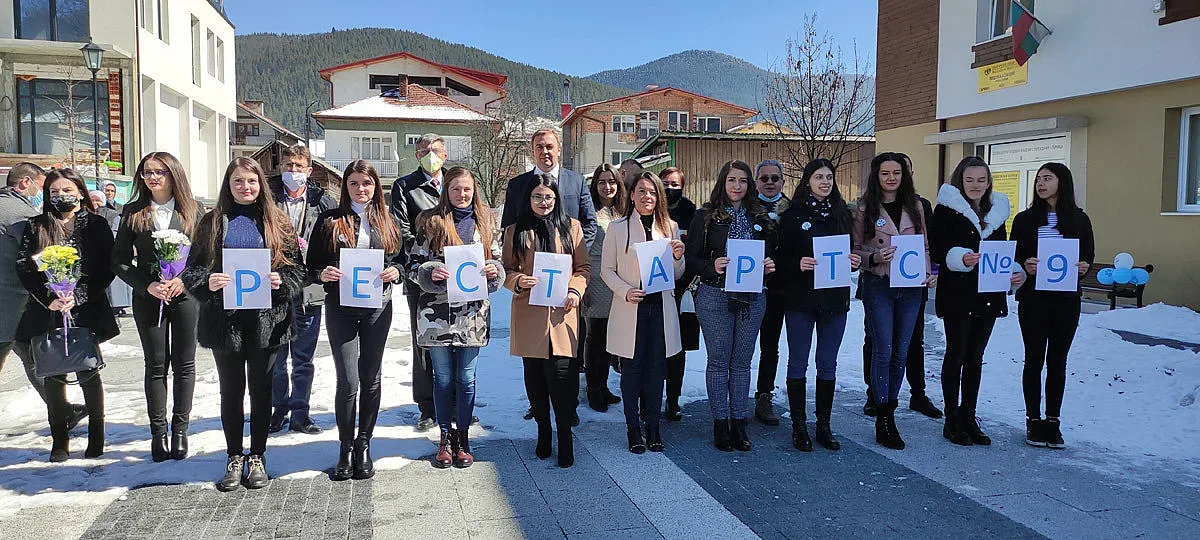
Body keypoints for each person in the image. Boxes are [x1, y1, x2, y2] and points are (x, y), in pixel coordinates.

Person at [180, 157, 307, 491]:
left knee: (262, 391)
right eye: (238, 181)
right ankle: (234, 455)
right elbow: (191, 271)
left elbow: (298, 271)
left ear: (260, 184)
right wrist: (208, 282)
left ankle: (258, 455)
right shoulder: (211, 223)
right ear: (229, 184)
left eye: (251, 181)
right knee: (231, 392)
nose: (245, 187)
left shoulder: (278, 222)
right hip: (226, 321)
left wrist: (283, 281)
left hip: (268, 321)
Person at [307, 160, 404, 480]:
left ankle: (364, 444)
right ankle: (345, 446)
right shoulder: (328, 220)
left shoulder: (387, 220)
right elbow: (311, 266)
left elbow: (400, 261)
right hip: (341, 308)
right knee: (348, 380)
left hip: (378, 307)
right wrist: (322, 273)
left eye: (367, 183)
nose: (361, 189)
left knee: (371, 377)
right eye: (354, 183)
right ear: (345, 186)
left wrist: (396, 272)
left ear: (376, 186)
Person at [15, 168, 118, 461]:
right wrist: (49, 298)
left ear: (80, 192)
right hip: (48, 310)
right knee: (53, 373)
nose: (61, 196)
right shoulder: (36, 226)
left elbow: (104, 268)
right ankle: (59, 438)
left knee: (87, 370)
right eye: (54, 192)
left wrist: (79, 295)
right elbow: (25, 266)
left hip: (85, 309)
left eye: (67, 190)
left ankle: (97, 434)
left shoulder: (95, 225)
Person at [407, 167, 504, 469]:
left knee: (466, 378)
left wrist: (494, 272)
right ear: (445, 191)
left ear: (475, 191)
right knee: (444, 377)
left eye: (467, 189)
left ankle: (463, 437)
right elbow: (411, 264)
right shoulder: (430, 221)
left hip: (472, 314)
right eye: (455, 189)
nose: (462, 195)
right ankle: (445, 436)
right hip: (436, 312)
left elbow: (499, 261)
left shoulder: (486, 221)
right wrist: (429, 272)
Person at [112, 152, 203, 461]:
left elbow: (205, 257)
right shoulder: (133, 212)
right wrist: (147, 284)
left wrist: (185, 280)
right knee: (155, 364)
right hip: (150, 296)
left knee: (184, 363)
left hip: (185, 296)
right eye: (147, 172)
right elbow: (119, 261)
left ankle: (180, 430)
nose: (152, 177)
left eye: (159, 172)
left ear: (173, 174)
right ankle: (158, 433)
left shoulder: (194, 211)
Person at [501, 129, 596, 422]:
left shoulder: (576, 181)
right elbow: (509, 233)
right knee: (535, 365)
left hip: (565, 290)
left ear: (558, 150)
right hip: (531, 293)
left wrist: (566, 259)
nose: (545, 151)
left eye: (550, 146)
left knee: (565, 362)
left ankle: (567, 412)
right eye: (539, 146)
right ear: (532, 149)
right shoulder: (517, 185)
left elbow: (588, 224)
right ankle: (539, 409)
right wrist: (519, 277)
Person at [929, 156, 1023, 447]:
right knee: (956, 352)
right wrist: (961, 258)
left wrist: (1012, 272)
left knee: (975, 357)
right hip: (958, 291)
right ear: (960, 180)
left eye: (981, 180)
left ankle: (969, 416)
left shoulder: (997, 211)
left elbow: (1002, 250)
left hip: (989, 293)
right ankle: (951, 418)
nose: (976, 185)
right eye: (969, 179)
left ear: (989, 181)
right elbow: (937, 250)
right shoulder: (945, 210)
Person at [685, 160, 777, 452]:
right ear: (722, 183)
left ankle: (740, 422)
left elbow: (772, 253)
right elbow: (691, 259)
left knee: (741, 362)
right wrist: (713, 265)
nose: (737, 186)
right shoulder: (705, 216)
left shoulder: (760, 216)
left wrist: (769, 264)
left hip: (752, 296)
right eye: (731, 180)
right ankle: (720, 423)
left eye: (743, 181)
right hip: (715, 295)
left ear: (750, 185)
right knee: (718, 361)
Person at [502, 175, 590, 468]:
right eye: (538, 197)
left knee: (563, 381)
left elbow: (583, 267)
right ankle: (543, 430)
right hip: (529, 316)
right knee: (536, 383)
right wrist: (517, 280)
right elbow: (506, 269)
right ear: (528, 199)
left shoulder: (572, 228)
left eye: (549, 197)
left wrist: (576, 289)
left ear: (557, 199)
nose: (543, 203)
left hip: (562, 316)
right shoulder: (515, 230)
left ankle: (565, 435)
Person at [775, 159, 861, 452]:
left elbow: (852, 250)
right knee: (798, 361)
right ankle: (799, 426)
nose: (825, 182)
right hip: (801, 298)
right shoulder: (792, 215)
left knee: (828, 362)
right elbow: (778, 258)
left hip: (834, 299)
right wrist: (796, 263)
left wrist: (855, 260)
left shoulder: (842, 216)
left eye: (829, 177)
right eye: (819, 177)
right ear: (807, 181)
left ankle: (823, 424)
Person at [853, 152, 936, 450]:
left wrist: (929, 272)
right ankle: (882, 415)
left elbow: (924, 244)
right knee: (883, 350)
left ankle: (891, 411)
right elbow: (855, 251)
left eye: (896, 173)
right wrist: (874, 257)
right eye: (885, 173)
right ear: (876, 176)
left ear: (904, 175)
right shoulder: (865, 208)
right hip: (880, 285)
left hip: (911, 287)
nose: (891, 178)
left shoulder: (916, 206)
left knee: (901, 351)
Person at [1012, 162, 1094, 449]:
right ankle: (1033, 420)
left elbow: (1088, 257)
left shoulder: (1079, 219)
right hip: (1034, 299)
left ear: (1063, 182)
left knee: (1058, 361)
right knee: (1033, 359)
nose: (1041, 184)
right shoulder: (1024, 219)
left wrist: (1084, 266)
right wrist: (1024, 263)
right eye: (1038, 179)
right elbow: (1015, 254)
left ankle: (1053, 421)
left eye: (1048, 178)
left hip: (1065, 300)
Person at [602, 171, 685, 453]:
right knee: (632, 371)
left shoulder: (670, 227)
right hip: (631, 308)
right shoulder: (617, 228)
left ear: (658, 196)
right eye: (641, 191)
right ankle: (633, 428)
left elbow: (677, 273)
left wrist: (677, 256)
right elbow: (606, 270)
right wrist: (625, 290)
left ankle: (653, 426)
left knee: (656, 369)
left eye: (651, 191)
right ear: (632, 195)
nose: (646, 196)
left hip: (660, 309)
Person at [1, 163, 86, 420]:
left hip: (11, 302)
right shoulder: (18, 212)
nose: (44, 192)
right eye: (42, 185)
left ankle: (62, 411)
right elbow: (38, 254)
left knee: (31, 357)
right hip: (12, 301)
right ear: (26, 183)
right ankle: (62, 412)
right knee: (34, 357)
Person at [268, 144, 336, 435]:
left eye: (298, 166)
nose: (292, 171)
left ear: (309, 171)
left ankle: (300, 412)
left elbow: (334, 243)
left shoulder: (325, 202)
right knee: (275, 356)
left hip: (309, 289)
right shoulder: (267, 198)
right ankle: (277, 409)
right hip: (275, 288)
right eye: (287, 165)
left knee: (303, 358)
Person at [390, 133, 448, 431]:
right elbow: (401, 231)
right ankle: (426, 406)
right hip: (421, 278)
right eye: (424, 150)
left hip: (455, 278)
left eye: (435, 150)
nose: (430, 154)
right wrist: (428, 258)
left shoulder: (456, 182)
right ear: (416, 156)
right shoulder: (404, 186)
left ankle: (453, 403)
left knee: (456, 341)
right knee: (423, 341)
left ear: (445, 154)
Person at [581, 164, 627, 412]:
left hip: (619, 279)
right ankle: (593, 387)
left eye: (611, 181)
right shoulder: (589, 212)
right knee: (595, 335)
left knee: (612, 338)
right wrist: (583, 281)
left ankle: (604, 385)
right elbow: (583, 248)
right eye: (601, 182)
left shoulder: (623, 212)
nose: (607, 186)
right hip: (597, 278)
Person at [752, 159, 790, 426]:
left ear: (782, 181)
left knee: (770, 346)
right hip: (746, 285)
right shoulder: (744, 207)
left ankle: (764, 395)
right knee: (738, 346)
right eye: (764, 178)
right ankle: (730, 393)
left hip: (778, 288)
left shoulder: (792, 210)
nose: (769, 183)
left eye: (774, 178)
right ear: (756, 182)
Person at [661, 167, 698, 421]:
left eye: (675, 183)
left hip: (683, 288)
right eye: (665, 183)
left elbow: (695, 249)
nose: (670, 188)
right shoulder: (652, 209)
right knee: (654, 347)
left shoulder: (691, 211)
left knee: (679, 349)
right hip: (655, 288)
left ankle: (673, 399)